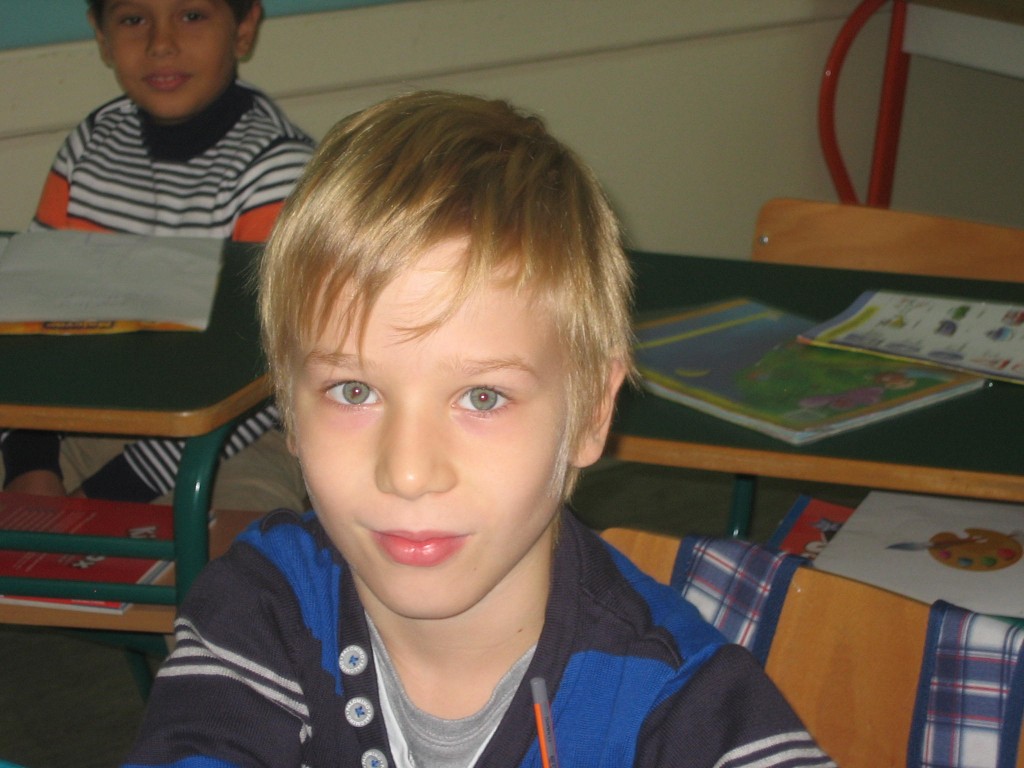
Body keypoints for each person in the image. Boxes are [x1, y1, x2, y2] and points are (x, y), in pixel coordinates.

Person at [122, 91, 834, 767]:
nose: (408, 471)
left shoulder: (674, 701)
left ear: (591, 413)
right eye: (354, 390)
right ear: (289, 407)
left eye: (483, 398)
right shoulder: (262, 608)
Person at [0, 0, 314, 511]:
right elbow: (30, 323)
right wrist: (30, 465)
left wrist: (102, 497)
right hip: (82, 418)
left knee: (241, 539)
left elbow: (264, 378)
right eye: (133, 20)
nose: (161, 44)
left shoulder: (276, 171)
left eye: (191, 16)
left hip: (232, 438)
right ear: (102, 36)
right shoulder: (90, 146)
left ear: (244, 27)